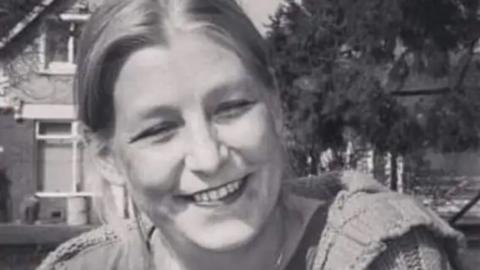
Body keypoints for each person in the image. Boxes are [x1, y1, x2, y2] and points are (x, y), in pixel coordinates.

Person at [38, 0, 465, 269]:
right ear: (107, 158)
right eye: (160, 130)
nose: (208, 158)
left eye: (232, 107)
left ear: (276, 108)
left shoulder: (383, 256)